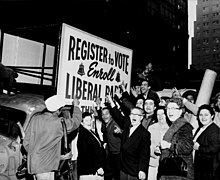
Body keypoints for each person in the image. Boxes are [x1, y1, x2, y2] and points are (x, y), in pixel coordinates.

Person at [23, 95, 82, 180]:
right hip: (46, 168)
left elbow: (26, 143)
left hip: (33, 166)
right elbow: (75, 123)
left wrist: (37, 155)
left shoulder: (35, 119)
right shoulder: (58, 122)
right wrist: (76, 106)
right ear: (58, 110)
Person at [106, 94, 150, 180]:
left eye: (137, 115)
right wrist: (111, 102)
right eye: (132, 114)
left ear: (141, 118)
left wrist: (142, 170)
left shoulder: (144, 133)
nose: (134, 116)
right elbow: (118, 116)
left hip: (134, 171)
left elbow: (145, 154)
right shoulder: (127, 125)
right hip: (123, 168)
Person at [158, 98, 194, 180]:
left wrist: (168, 145)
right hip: (172, 171)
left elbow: (186, 147)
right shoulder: (174, 125)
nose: (170, 111)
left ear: (180, 111)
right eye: (168, 108)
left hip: (179, 173)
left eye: (174, 108)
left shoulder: (184, 126)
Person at [193, 104, 220, 180]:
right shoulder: (201, 128)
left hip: (209, 171)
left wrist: (199, 148)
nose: (203, 117)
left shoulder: (214, 131)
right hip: (201, 169)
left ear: (212, 116)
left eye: (206, 115)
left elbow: (214, 149)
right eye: (201, 115)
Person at [77, 111, 106, 180]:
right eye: (86, 120)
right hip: (90, 171)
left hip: (94, 170)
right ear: (81, 122)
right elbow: (87, 154)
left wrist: (102, 144)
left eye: (90, 120)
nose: (89, 122)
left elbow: (94, 146)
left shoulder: (89, 131)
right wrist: (98, 167)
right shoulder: (83, 135)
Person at [148, 106, 170, 180]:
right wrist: (154, 150)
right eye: (158, 114)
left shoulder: (172, 128)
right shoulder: (151, 128)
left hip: (168, 163)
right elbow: (147, 145)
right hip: (153, 162)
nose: (160, 116)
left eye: (162, 114)